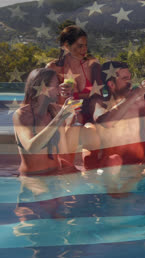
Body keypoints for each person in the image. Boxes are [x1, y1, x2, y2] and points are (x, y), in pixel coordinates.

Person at [90, 61, 145, 194]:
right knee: (114, 160)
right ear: (111, 84)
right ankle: (115, 197)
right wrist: (135, 95)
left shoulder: (141, 104)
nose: (130, 82)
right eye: (125, 79)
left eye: (130, 78)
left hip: (137, 166)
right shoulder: (99, 104)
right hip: (112, 168)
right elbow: (107, 122)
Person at [46, 25, 102, 169]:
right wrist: (58, 91)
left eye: (86, 46)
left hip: (88, 112)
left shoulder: (92, 64)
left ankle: (85, 167)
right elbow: (43, 99)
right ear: (66, 46)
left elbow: (98, 95)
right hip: (66, 114)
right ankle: (67, 168)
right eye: (80, 46)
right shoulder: (53, 68)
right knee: (73, 121)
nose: (84, 50)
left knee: (85, 123)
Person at [13, 68, 78, 176]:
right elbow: (31, 148)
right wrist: (59, 118)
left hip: (55, 175)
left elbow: (63, 151)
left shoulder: (55, 110)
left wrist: (71, 170)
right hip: (33, 180)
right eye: (57, 85)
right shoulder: (22, 115)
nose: (59, 89)